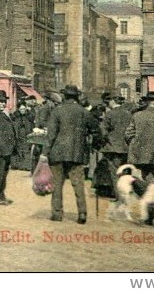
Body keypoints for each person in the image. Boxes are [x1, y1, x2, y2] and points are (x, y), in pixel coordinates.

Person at [40, 84, 99, 224]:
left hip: (58, 153)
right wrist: (91, 141)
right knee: (78, 184)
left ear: (64, 96)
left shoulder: (57, 111)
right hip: (77, 154)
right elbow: (96, 129)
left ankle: (57, 213)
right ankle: (82, 213)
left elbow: (51, 135)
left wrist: (45, 153)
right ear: (77, 97)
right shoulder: (84, 112)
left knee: (57, 184)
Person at [125, 91, 154, 188]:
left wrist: (136, 145)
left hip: (141, 154)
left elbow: (128, 134)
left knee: (147, 177)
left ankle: (149, 197)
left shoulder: (137, 115)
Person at [99, 94, 133, 191]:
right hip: (126, 147)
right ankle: (126, 192)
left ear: (113, 101)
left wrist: (104, 141)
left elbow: (103, 131)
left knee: (115, 173)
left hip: (112, 147)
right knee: (125, 172)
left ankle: (118, 195)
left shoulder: (109, 114)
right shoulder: (128, 114)